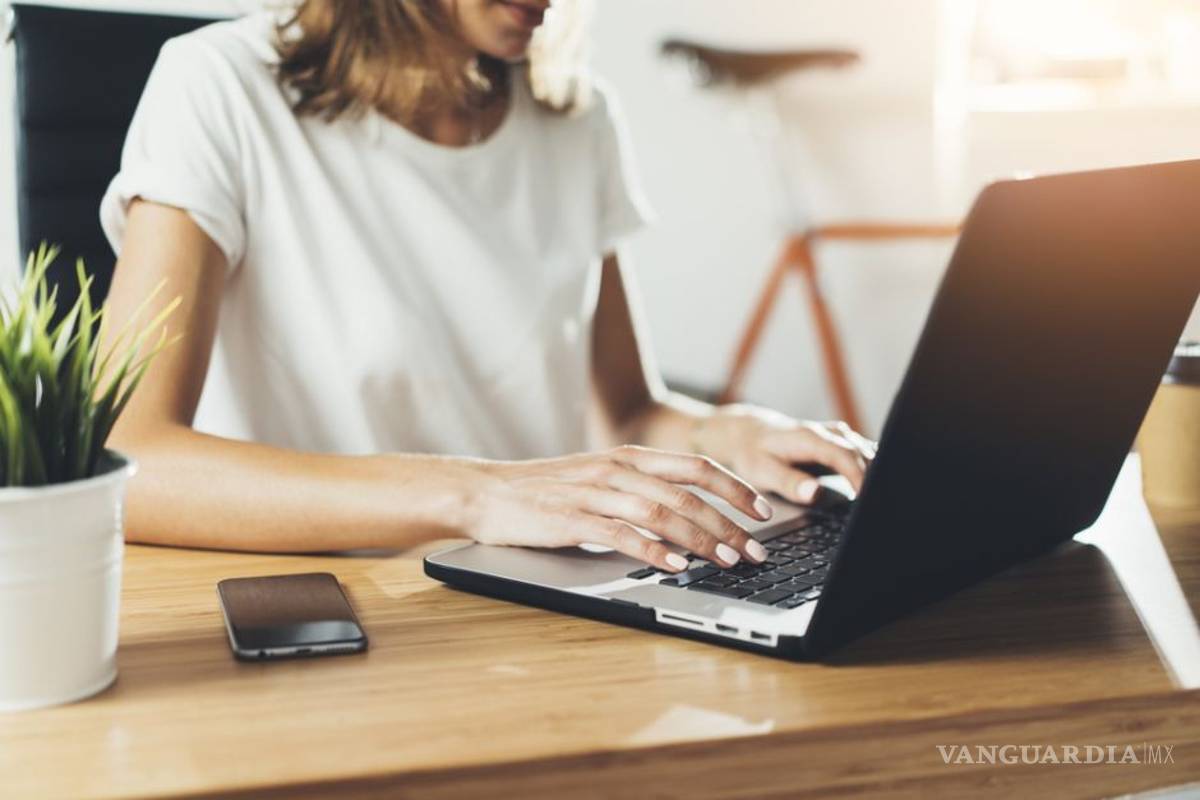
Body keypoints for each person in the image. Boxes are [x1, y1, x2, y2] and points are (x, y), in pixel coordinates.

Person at [100, 0, 874, 573]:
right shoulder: (218, 87)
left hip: (535, 600)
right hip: (338, 600)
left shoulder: (577, 117)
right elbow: (125, 461)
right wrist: (475, 495)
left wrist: (728, 435)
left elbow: (629, 409)